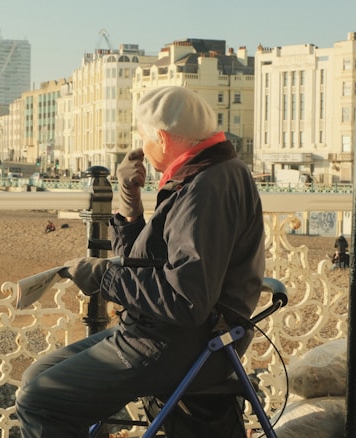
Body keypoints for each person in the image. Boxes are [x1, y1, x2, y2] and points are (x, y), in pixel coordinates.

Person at [16, 86, 265, 437]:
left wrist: (103, 277)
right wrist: (129, 200)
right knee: (36, 378)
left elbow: (185, 299)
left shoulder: (205, 188)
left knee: (39, 400)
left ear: (162, 138)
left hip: (181, 345)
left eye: (142, 136)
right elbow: (146, 264)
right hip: (169, 334)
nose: (141, 145)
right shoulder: (204, 173)